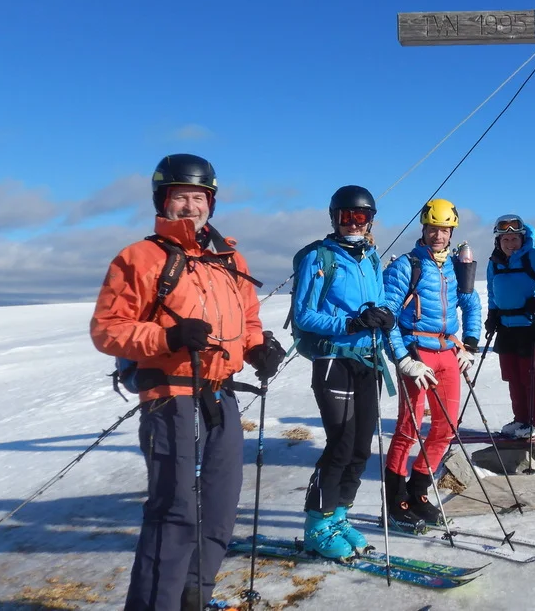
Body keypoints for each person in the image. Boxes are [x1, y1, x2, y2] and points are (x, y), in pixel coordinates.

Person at [91, 154, 284, 611]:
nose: (190, 206)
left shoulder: (229, 257)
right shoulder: (139, 257)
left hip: (220, 396)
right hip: (169, 398)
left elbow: (248, 318)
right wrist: (168, 336)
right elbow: (108, 329)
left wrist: (257, 347)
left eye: (199, 197)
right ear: (163, 201)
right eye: (181, 197)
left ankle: (195, 599)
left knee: (219, 509)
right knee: (175, 512)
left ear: (210, 203)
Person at [291, 185, 395, 559]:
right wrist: (351, 324)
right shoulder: (319, 258)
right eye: (346, 216)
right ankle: (317, 525)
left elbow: (380, 301)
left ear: (370, 221)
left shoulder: (370, 257)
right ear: (334, 217)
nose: (353, 223)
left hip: (367, 360)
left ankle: (339, 515)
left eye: (361, 217)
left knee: (361, 448)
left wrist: (385, 316)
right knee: (340, 445)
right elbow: (305, 315)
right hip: (333, 359)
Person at [382, 198, 482, 525]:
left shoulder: (455, 267)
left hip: (448, 353)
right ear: (423, 229)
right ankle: (396, 499)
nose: (438, 236)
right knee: (408, 428)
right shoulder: (407, 266)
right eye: (433, 229)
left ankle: (419, 490)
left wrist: (469, 343)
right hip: (417, 353)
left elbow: (471, 304)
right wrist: (404, 359)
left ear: (452, 232)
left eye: (444, 230)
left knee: (447, 426)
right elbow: (388, 318)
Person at [485, 214, 535, 439]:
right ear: (498, 242)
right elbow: (492, 291)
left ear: (522, 238)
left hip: (530, 324)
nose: (510, 244)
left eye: (514, 239)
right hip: (506, 325)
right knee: (512, 376)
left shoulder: (534, 256)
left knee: (530, 376)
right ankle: (522, 419)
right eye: (505, 240)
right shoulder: (494, 262)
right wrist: (492, 314)